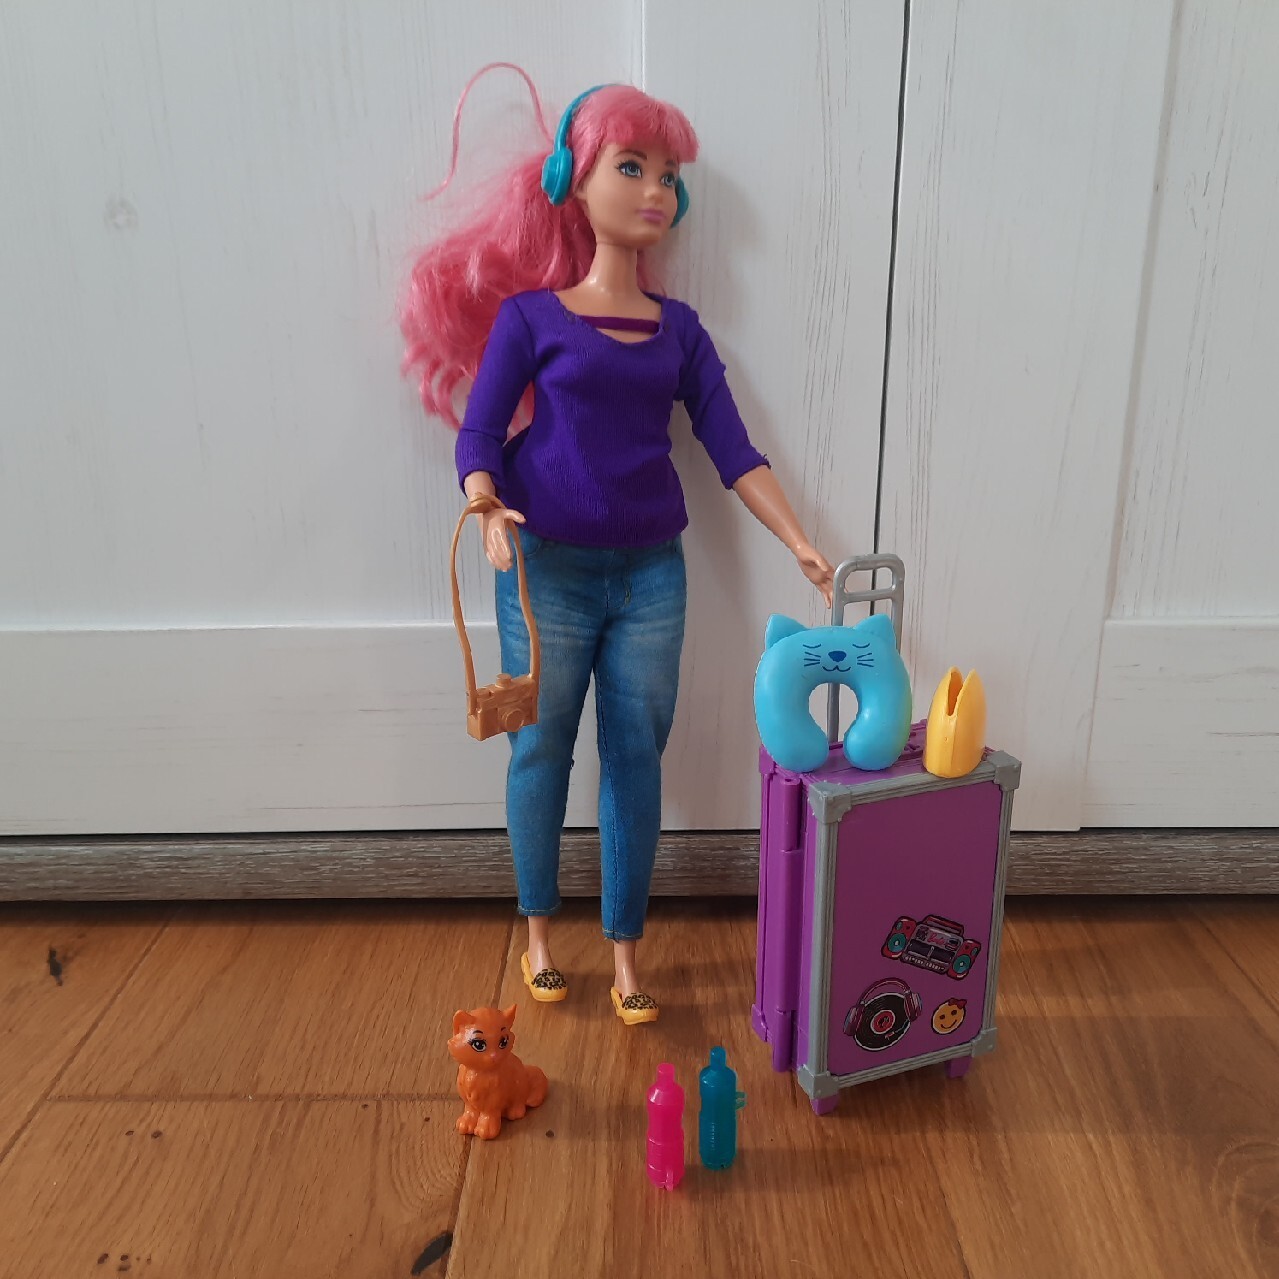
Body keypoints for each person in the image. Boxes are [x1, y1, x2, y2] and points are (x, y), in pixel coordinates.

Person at [401, 65, 833, 1025]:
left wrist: (800, 539)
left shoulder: (681, 333)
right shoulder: (531, 319)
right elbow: (480, 433)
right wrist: (485, 503)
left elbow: (733, 449)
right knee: (540, 750)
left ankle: (626, 949)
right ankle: (538, 935)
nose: (655, 191)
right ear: (572, 180)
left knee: (638, 754)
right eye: (631, 166)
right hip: (544, 565)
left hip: (649, 577)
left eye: (669, 175)